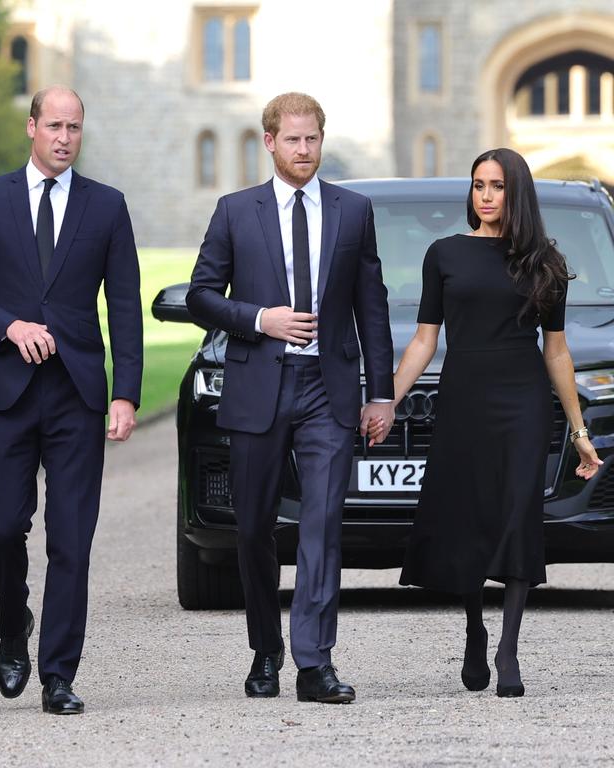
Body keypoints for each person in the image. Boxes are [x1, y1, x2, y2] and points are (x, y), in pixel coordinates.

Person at [0, 86, 143, 715]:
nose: (64, 138)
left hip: (76, 393)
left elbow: (125, 308)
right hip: (5, 389)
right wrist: (6, 326)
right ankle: (12, 617)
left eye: (74, 127)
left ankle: (58, 675)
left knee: (72, 540)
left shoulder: (107, 206)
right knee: (1, 527)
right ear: (30, 127)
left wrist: (126, 393)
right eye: (53, 125)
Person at [187, 92, 394, 704]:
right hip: (258, 387)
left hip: (327, 392)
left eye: (313, 139)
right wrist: (260, 319)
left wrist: (379, 394)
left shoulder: (353, 211)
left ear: (321, 141)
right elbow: (202, 295)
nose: (304, 150)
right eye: (293, 140)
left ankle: (313, 661)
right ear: (270, 142)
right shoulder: (234, 211)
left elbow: (372, 308)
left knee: (323, 526)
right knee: (252, 528)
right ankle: (265, 650)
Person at [385, 147, 600, 698]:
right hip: (464, 399)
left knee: (517, 513)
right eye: (479, 185)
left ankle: (508, 647)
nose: (485, 195)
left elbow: (556, 352)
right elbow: (424, 339)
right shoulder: (445, 254)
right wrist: (386, 400)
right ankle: (475, 630)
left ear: (516, 193)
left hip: (523, 401)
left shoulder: (546, 263)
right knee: (468, 516)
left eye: (497, 186)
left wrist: (579, 433)